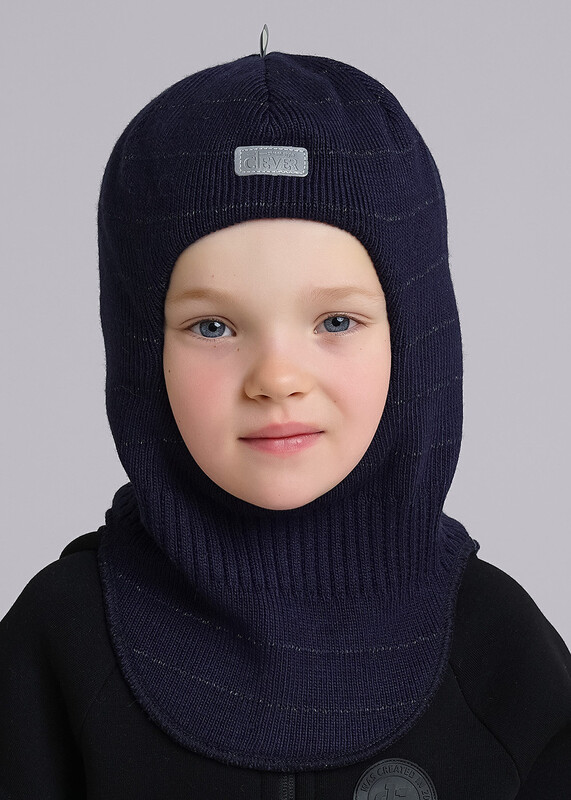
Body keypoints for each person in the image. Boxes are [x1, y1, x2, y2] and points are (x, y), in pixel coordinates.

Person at [1, 30, 570, 800]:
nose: (275, 378)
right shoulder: (59, 644)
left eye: (335, 321)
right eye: (212, 327)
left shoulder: (497, 649)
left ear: (415, 339)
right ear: (141, 351)